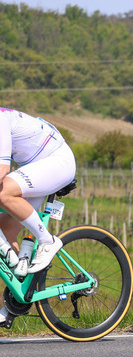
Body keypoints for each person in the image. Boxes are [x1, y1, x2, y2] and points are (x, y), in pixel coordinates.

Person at [0, 108, 77, 325]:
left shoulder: (0, 120)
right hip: (38, 167)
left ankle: (47, 240)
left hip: (57, 162)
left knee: (4, 192)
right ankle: (16, 299)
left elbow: (2, 168)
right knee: (5, 230)